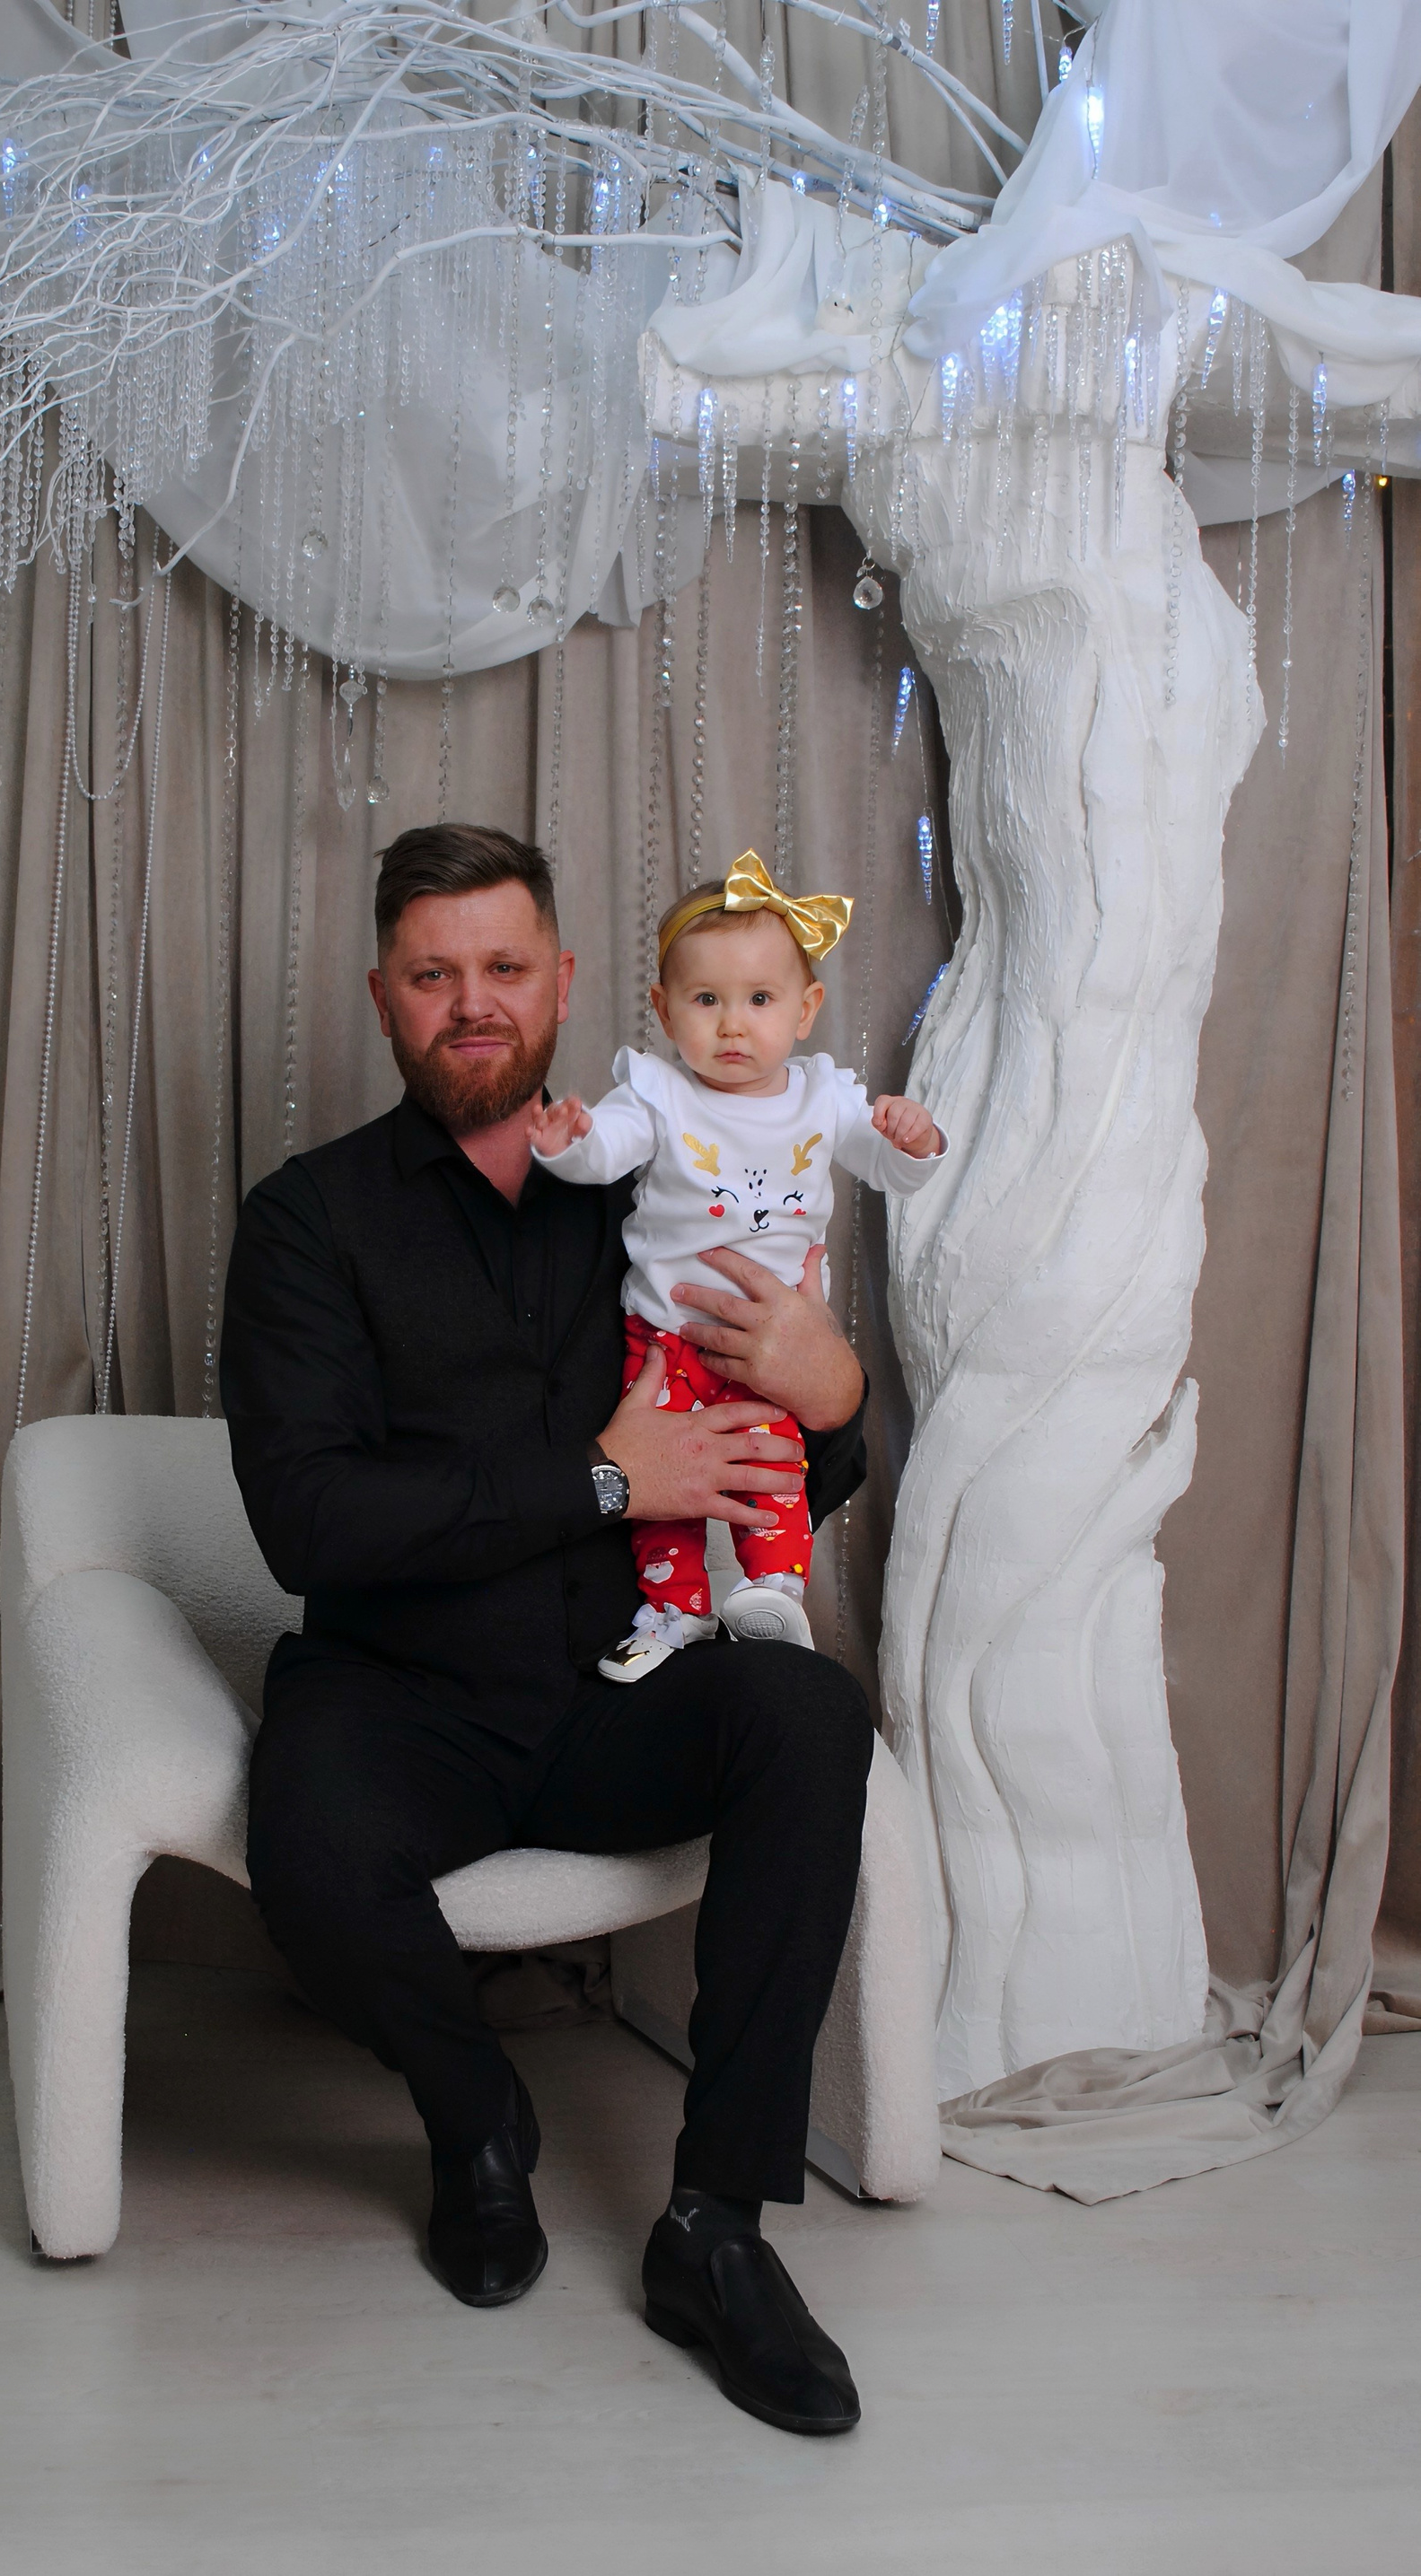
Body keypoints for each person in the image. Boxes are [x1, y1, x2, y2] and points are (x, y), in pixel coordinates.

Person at [221, 823, 880, 2438]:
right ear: (382, 997)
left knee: (810, 1718)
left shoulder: (660, 1184)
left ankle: (716, 2226)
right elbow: (311, 1522)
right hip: (402, 1693)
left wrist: (836, 1394)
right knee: (309, 1845)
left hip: (620, 1682)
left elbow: (789, 1456)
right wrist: (601, 1476)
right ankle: (476, 2119)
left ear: (569, 984)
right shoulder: (305, 1221)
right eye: (434, 974)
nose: (474, 1003)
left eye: (505, 967)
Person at [527, 848, 944, 1681]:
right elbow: (608, 1152)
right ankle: (671, 1610)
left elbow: (892, 1170)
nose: (731, 1025)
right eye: (706, 1000)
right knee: (660, 1479)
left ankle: (773, 1593)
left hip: (771, 1345)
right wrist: (570, 1142)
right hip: (666, 1338)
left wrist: (915, 1139)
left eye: (760, 999)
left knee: (771, 1462)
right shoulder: (660, 1095)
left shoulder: (824, 1098)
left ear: (805, 1009)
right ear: (663, 1008)